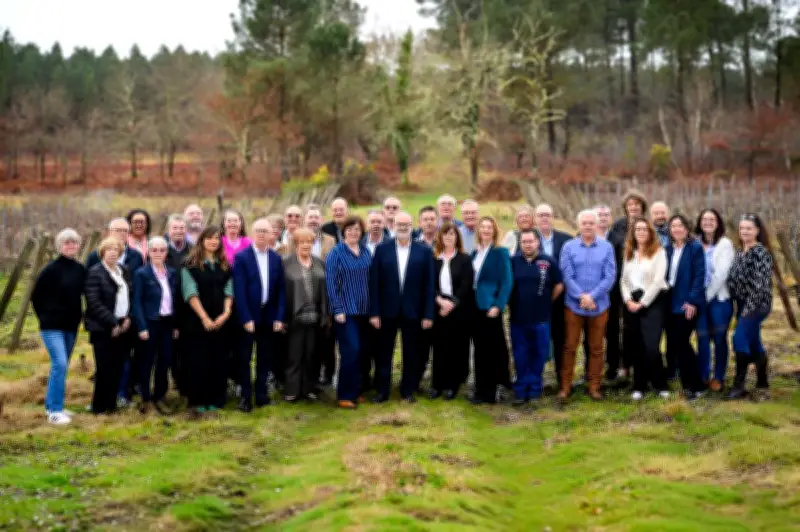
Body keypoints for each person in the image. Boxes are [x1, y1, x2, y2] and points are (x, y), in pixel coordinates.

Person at [370, 211, 436, 403]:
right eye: (399, 224)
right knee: (384, 353)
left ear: (412, 226)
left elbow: (429, 285)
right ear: (393, 226)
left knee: (411, 353)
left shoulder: (424, 251)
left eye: (406, 224)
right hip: (386, 311)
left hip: (413, 311)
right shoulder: (382, 249)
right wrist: (374, 312)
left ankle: (408, 390)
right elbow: (374, 283)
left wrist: (428, 314)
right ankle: (382, 391)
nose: (403, 227)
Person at [85, 218, 143, 407]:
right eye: (108, 250)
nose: (112, 253)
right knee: (104, 367)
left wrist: (127, 319)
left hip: (123, 324)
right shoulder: (95, 271)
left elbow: (130, 295)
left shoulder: (123, 270)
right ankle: (99, 406)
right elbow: (94, 302)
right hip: (103, 326)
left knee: (118, 364)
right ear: (102, 252)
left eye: (116, 250)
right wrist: (114, 322)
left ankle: (111, 404)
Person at [559, 210, 616, 401]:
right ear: (579, 225)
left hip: (599, 306)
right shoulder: (569, 247)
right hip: (573, 306)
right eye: (584, 223)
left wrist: (592, 297)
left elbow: (610, 276)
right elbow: (567, 275)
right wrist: (582, 296)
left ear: (596, 224)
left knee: (597, 347)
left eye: (591, 223)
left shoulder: (607, 247)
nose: (588, 226)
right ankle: (565, 386)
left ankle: (594, 386)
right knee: (570, 346)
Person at [31, 228, 86, 425]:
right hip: (52, 326)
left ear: (79, 245)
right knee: (60, 364)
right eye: (66, 243)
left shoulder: (80, 269)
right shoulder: (50, 270)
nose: (71, 246)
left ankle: (53, 405)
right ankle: (54, 411)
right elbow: (36, 297)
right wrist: (46, 317)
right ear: (59, 246)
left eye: (74, 242)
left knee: (62, 366)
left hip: (71, 326)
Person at [233, 218, 286, 412]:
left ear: (271, 234)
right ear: (252, 234)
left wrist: (279, 317)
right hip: (249, 315)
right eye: (258, 230)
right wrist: (246, 317)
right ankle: (246, 397)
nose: (262, 234)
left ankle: (262, 395)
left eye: (265, 231)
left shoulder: (276, 258)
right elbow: (239, 291)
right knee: (245, 358)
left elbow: (281, 290)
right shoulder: (242, 258)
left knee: (265, 357)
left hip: (269, 315)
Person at [182, 226, 234, 416]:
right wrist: (204, 317)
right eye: (210, 238)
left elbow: (229, 289)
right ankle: (199, 400)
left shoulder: (224, 265)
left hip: (221, 320)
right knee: (199, 361)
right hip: (197, 322)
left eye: (217, 238)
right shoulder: (190, 265)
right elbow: (190, 292)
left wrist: (226, 313)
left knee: (219, 359)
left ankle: (216, 400)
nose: (214, 241)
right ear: (202, 240)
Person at [509, 229, 564, 405]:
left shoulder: (548, 261)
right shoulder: (513, 262)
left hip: (541, 318)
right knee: (520, 354)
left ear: (537, 242)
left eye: (530, 241)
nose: (528, 245)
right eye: (524, 242)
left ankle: (534, 389)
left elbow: (559, 284)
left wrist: (547, 301)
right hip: (518, 318)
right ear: (520, 243)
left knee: (538, 354)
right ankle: (521, 389)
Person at [620, 218, 669, 401]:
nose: (641, 232)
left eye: (644, 229)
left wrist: (643, 303)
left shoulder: (659, 252)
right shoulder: (629, 253)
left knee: (651, 346)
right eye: (637, 229)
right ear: (633, 233)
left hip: (653, 301)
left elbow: (658, 281)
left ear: (650, 232)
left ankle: (660, 384)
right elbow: (623, 280)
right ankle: (639, 385)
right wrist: (627, 300)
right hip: (631, 302)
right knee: (636, 345)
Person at [326, 216, 372, 409]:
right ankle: (344, 395)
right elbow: (331, 283)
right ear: (343, 231)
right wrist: (337, 308)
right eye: (350, 229)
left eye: (357, 229)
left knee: (362, 352)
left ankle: (356, 390)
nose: (354, 232)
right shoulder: (336, 253)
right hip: (345, 312)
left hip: (365, 310)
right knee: (350, 351)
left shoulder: (365, 251)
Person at [727, 213, 774, 400]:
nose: (744, 231)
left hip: (757, 304)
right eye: (742, 228)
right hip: (741, 303)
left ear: (757, 231)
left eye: (749, 228)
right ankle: (762, 379)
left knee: (739, 338)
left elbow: (760, 286)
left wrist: (747, 312)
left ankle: (739, 385)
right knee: (753, 340)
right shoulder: (739, 252)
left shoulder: (761, 253)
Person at [131, 237, 180, 415]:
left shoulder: (172, 273)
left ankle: (160, 395)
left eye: (162, 250)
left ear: (166, 253)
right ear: (149, 252)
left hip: (167, 323)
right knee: (147, 361)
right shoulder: (141, 274)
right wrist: (142, 327)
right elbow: (136, 302)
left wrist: (175, 325)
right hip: (150, 322)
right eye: (154, 250)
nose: (158, 253)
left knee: (165, 360)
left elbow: (175, 300)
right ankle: (146, 398)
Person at [471, 216, 513, 404]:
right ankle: (480, 388)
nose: (486, 230)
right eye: (483, 227)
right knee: (479, 350)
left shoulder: (500, 252)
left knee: (490, 351)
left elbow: (507, 282)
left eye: (489, 227)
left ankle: (489, 393)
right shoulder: (476, 252)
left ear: (494, 231)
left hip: (490, 308)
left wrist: (498, 305)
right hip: (475, 307)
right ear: (478, 230)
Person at [282, 228, 327, 402]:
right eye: (302, 242)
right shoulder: (286, 263)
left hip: (316, 316)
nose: (306, 245)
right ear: (296, 244)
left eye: (309, 242)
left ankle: (308, 389)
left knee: (311, 354)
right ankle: (292, 390)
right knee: (294, 355)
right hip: (294, 316)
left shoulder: (319, 262)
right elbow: (281, 291)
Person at [606, 190, 647, 381]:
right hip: (617, 283)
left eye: (637, 204)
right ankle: (614, 365)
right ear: (625, 207)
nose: (633, 207)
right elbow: (610, 253)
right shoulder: (617, 227)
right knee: (613, 326)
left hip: (638, 285)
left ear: (642, 207)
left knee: (632, 326)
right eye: (630, 204)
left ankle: (630, 364)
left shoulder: (647, 227)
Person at [664, 214, 706, 401]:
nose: (677, 229)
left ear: (687, 228)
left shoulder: (695, 248)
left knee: (682, 342)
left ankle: (693, 386)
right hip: (670, 301)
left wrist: (692, 301)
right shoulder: (668, 248)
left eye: (680, 225)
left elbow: (699, 276)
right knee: (675, 343)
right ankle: (693, 383)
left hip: (687, 302)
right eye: (673, 226)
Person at [431, 222, 474, 400]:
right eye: (445, 234)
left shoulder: (464, 259)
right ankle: (437, 385)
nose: (448, 237)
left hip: (459, 309)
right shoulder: (434, 258)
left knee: (456, 348)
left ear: (457, 237)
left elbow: (466, 284)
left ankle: (452, 385)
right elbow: (430, 284)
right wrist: (440, 301)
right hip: (439, 308)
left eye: (452, 234)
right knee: (439, 347)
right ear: (440, 237)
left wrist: (452, 303)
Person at [694, 208, 735, 392]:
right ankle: (703, 376)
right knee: (702, 338)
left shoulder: (725, 244)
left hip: (719, 299)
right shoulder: (695, 243)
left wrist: (705, 297)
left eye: (712, 219)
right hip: (699, 299)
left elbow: (721, 274)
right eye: (704, 219)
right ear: (699, 223)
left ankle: (718, 377)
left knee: (719, 338)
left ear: (718, 223)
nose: (708, 222)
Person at [534, 203, 572, 385]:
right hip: (536, 300)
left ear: (553, 217)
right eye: (540, 215)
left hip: (561, 299)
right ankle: (535, 378)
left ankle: (561, 379)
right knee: (536, 340)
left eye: (547, 215)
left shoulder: (566, 240)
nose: (544, 218)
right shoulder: (527, 239)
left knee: (560, 339)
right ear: (535, 218)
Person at [303, 206, 337, 386]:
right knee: (310, 338)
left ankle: (328, 373)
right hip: (304, 294)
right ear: (305, 220)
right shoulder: (298, 239)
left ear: (321, 220)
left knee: (327, 337)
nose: (313, 221)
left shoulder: (331, 241)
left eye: (316, 217)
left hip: (326, 293)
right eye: (310, 217)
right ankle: (311, 374)